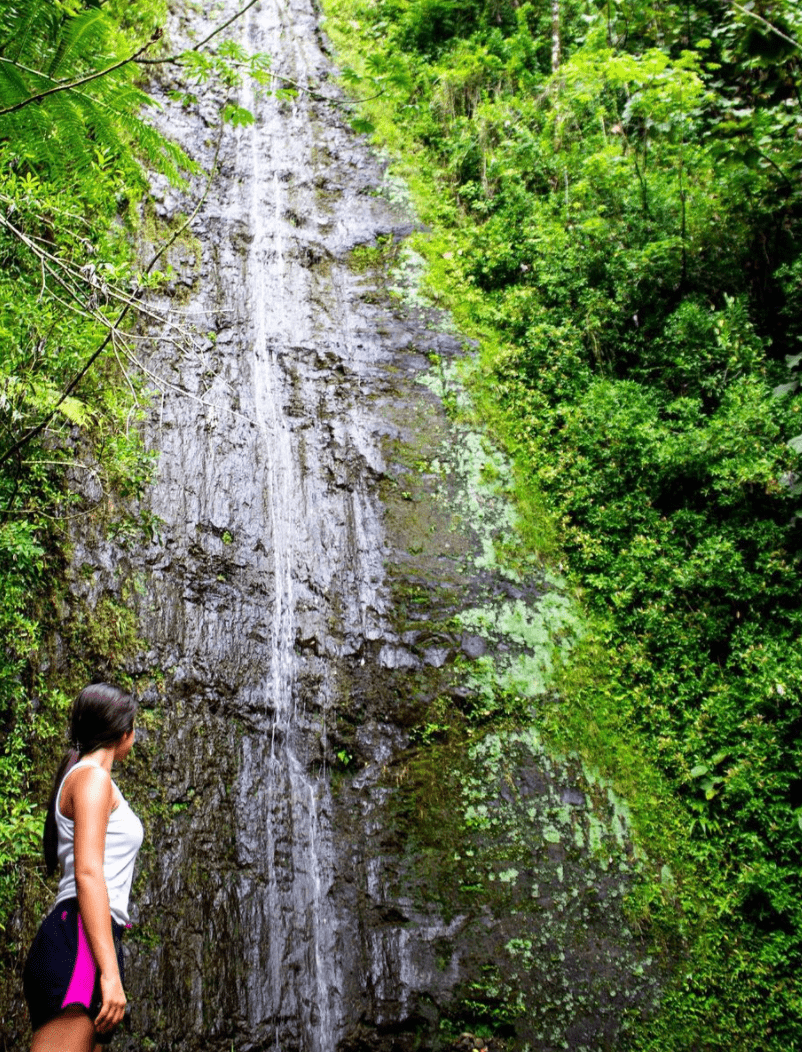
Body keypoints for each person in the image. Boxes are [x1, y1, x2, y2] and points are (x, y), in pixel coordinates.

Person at [23, 683, 143, 1052]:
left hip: (92, 938)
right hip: (82, 940)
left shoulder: (88, 776)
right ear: (124, 732)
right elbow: (87, 872)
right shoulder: (92, 778)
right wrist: (109, 972)